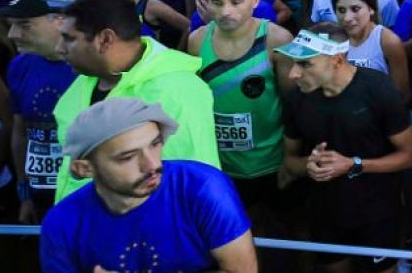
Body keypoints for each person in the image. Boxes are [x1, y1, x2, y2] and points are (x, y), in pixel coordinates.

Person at [39, 99, 256, 273]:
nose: (152, 165)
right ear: (84, 169)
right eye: (127, 157)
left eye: (155, 144)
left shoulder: (202, 187)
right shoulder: (62, 223)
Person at [51, 0, 220, 201]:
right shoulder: (84, 82)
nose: (59, 48)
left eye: (69, 39)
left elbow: (193, 185)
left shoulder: (177, 91)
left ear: (104, 39)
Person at [278, 29, 412, 273]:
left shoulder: (378, 90)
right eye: (293, 63)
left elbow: (410, 156)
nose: (293, 73)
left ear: (337, 60)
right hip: (325, 211)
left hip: (377, 211)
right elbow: (289, 161)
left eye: (305, 64)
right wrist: (308, 166)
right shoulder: (296, 99)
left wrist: (354, 164)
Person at [186, 0, 293, 222]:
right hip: (223, 163)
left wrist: (290, 159)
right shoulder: (197, 41)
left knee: (285, 229)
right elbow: (195, 102)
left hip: (272, 160)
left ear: (255, 1)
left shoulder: (277, 40)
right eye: (217, 3)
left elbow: (294, 105)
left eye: (236, 2)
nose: (225, 11)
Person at [0, 0, 77, 221]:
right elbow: (21, 130)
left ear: (59, 20)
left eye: (24, 25)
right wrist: (25, 192)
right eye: (11, 26)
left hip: (85, 194)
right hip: (41, 196)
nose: (12, 34)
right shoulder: (20, 65)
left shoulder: (92, 67)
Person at [332, 0, 409, 99]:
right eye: (341, 10)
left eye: (355, 9)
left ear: (371, 8)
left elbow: (401, 95)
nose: (347, 18)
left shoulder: (387, 42)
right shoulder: (334, 40)